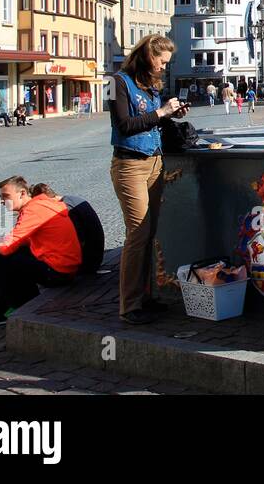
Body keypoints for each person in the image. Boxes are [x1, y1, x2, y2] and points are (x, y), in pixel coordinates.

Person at [110, 33, 187, 324]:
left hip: (154, 162)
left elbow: (151, 121)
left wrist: (170, 114)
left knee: (150, 233)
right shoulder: (116, 83)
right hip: (129, 165)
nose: (164, 68)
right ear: (147, 55)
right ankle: (129, 306)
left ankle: (146, 296)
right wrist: (161, 111)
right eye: (162, 62)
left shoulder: (152, 85)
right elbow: (124, 125)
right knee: (138, 233)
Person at [0, 177, 82, 321]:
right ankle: (25, 298)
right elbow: (21, 239)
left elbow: (7, 247)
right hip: (67, 267)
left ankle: (22, 306)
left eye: (6, 196)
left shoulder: (32, 211)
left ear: (22, 193)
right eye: (1, 197)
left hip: (58, 273)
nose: (2, 201)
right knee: (13, 254)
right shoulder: (42, 204)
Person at [28, 184, 105, 277]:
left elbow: (76, 239)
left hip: (85, 263)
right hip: (94, 255)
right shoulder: (71, 199)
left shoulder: (65, 209)